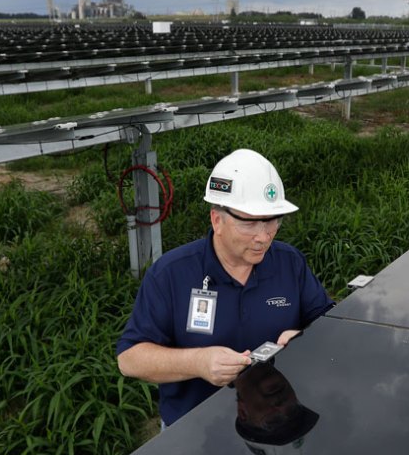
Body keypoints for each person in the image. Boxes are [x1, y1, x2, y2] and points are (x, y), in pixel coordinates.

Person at [116, 148, 334, 427]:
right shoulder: (171, 274)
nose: (263, 236)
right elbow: (130, 359)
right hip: (194, 433)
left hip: (276, 418)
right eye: (250, 223)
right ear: (217, 220)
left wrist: (306, 336)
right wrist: (197, 362)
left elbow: (331, 321)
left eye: (272, 220)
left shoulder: (289, 263)